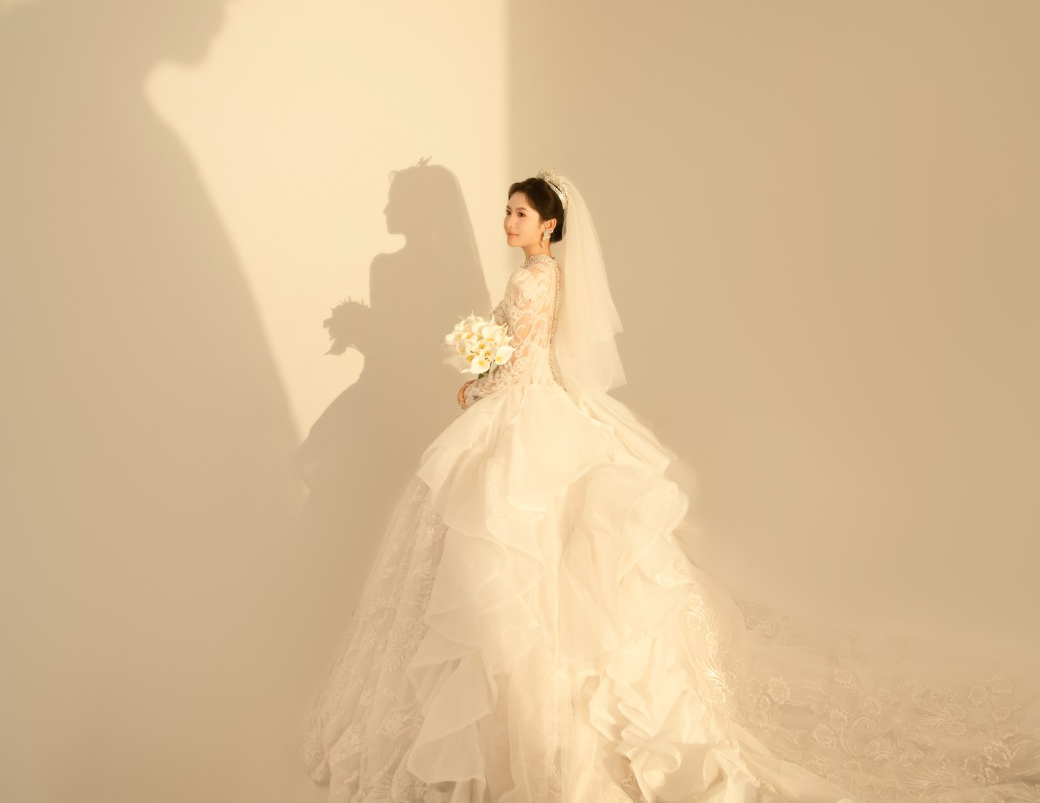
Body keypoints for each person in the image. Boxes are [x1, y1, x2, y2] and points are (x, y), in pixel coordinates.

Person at [301, 170, 1040, 802]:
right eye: (506, 211)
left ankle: (514, 730)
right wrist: (482, 364)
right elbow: (532, 353)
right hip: (541, 408)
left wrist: (477, 383)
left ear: (550, 224)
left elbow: (521, 364)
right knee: (534, 558)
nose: (509, 222)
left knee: (504, 545)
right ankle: (531, 718)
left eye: (520, 213)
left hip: (525, 411)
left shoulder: (531, 280)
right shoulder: (543, 276)